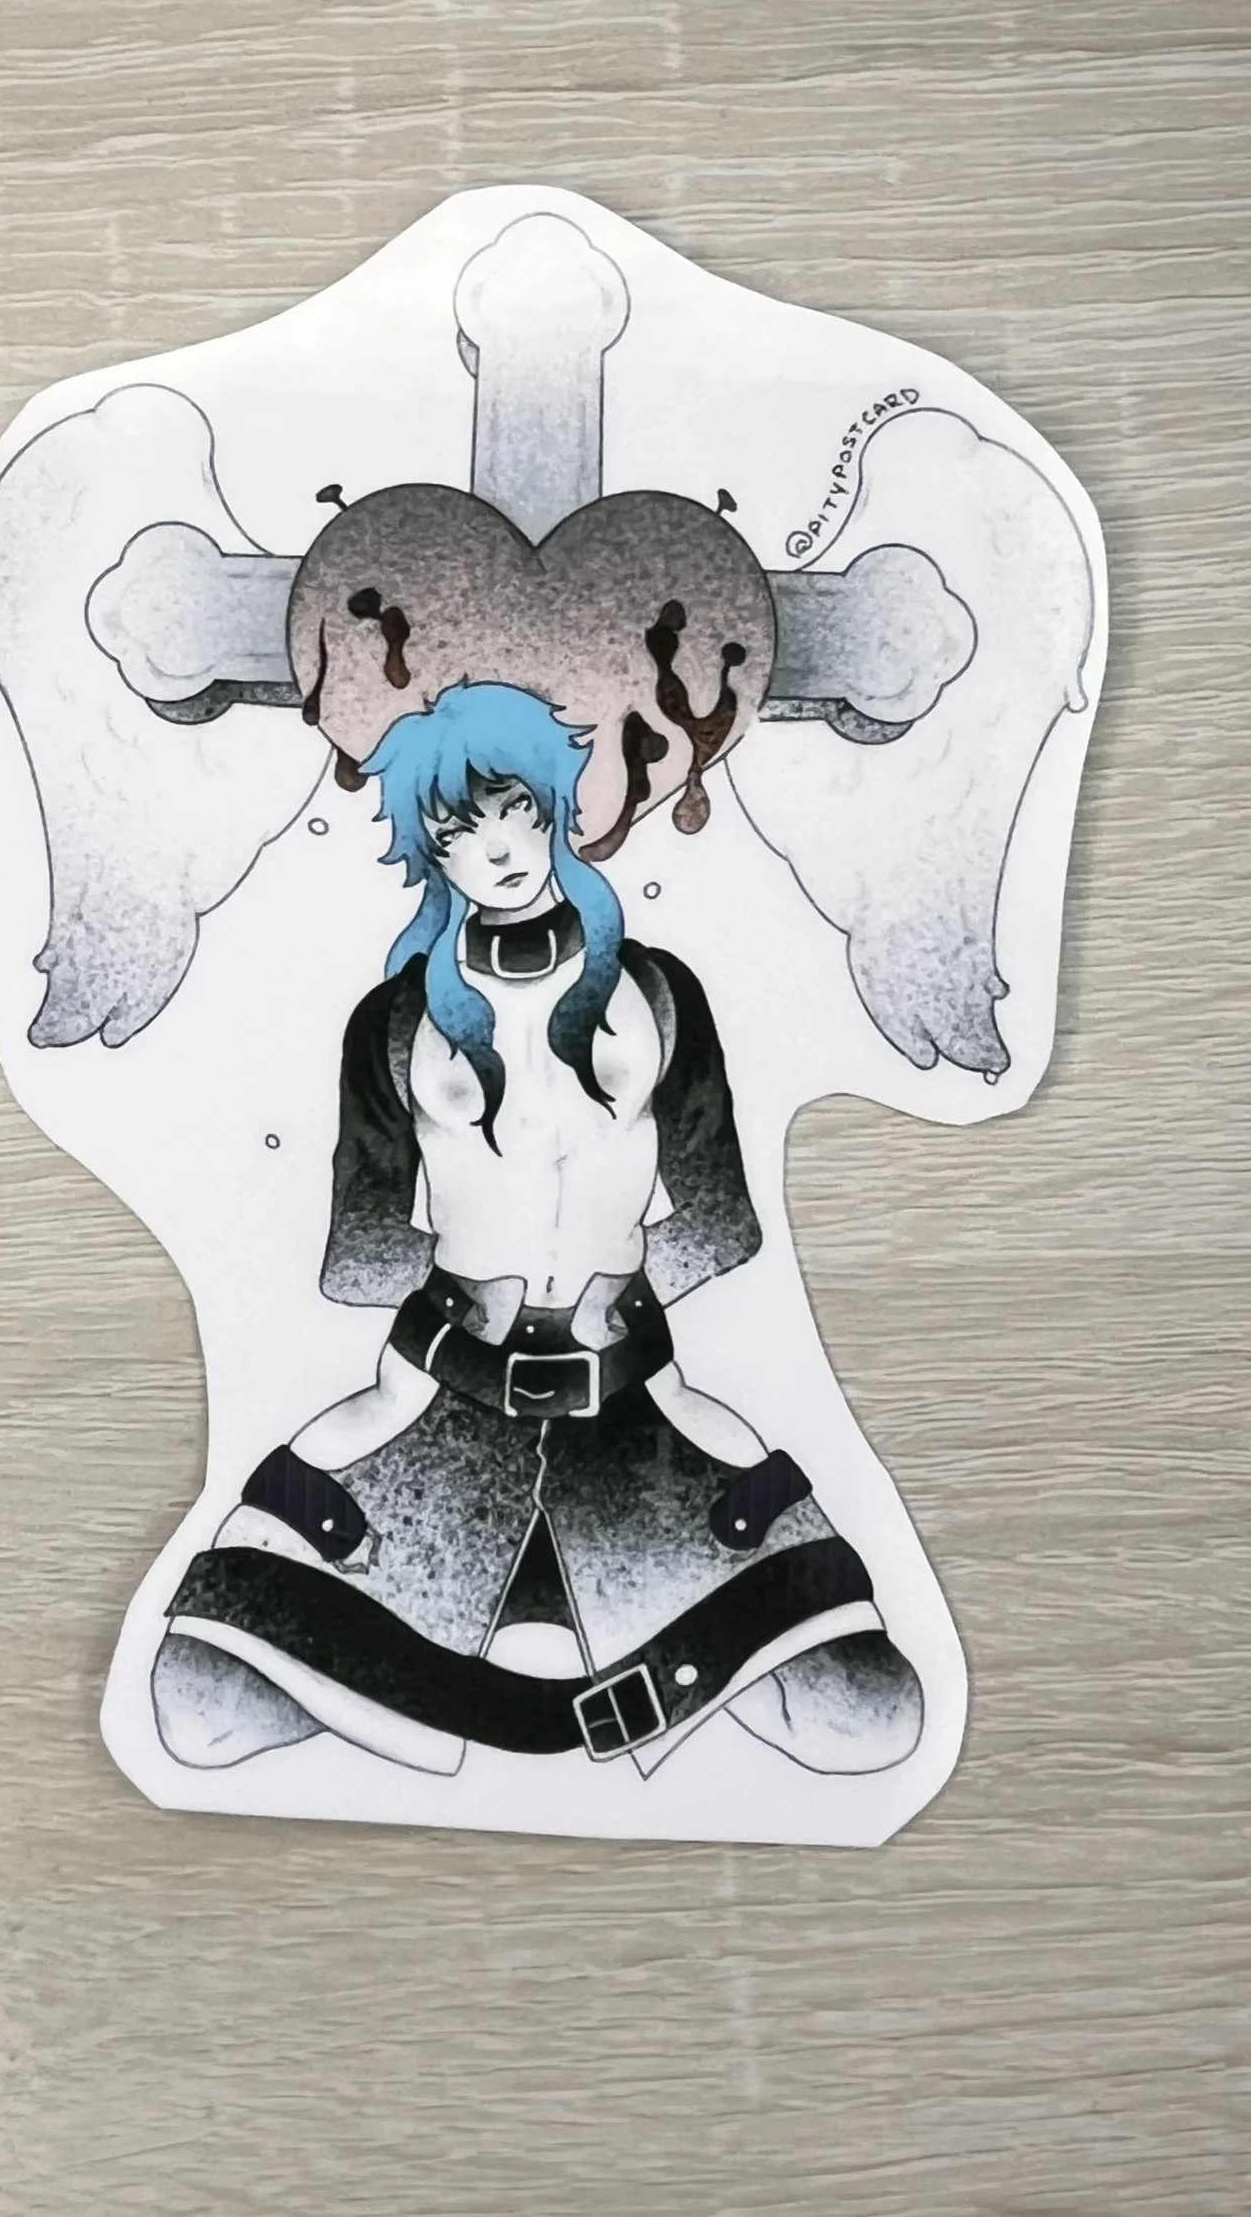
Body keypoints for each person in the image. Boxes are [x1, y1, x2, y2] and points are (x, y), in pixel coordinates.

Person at [152, 683, 923, 1778]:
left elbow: (719, 1215)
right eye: (459, 831)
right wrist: (467, 1305)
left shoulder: (661, 993)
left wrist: (620, 1299)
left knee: (871, 1719)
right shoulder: (393, 1022)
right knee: (198, 1711)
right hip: (432, 1407)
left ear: (558, 802)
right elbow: (357, 1248)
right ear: (431, 851)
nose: (499, 849)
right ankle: (426, 1664)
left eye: (515, 809)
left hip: (640, 1414)